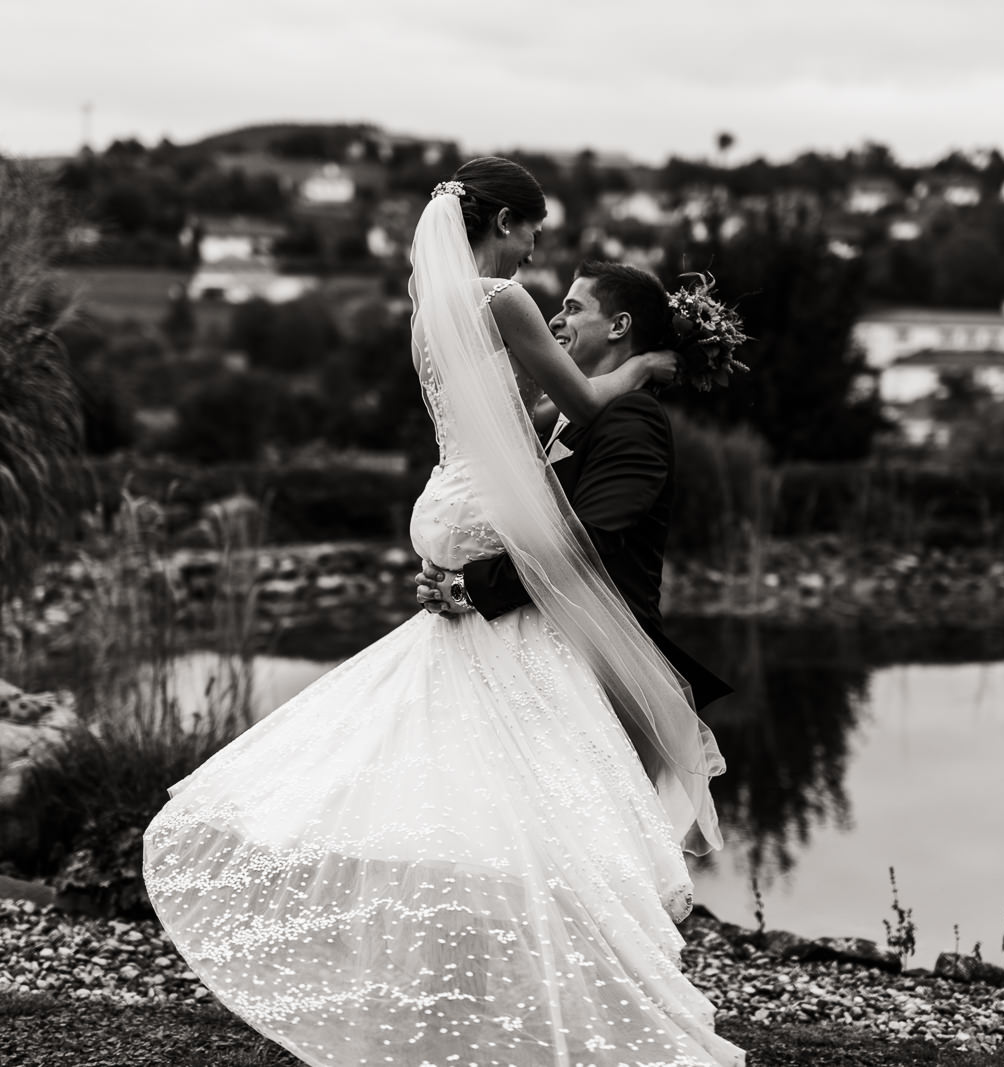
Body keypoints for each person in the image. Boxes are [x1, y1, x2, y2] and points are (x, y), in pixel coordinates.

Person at [142, 157, 743, 1067]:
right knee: (548, 748)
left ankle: (461, 932)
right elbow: (584, 401)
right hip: (486, 515)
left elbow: (514, 430)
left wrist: (473, 573)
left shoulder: (434, 308)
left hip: (453, 501)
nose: (535, 247)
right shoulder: (502, 300)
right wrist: (651, 364)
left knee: (470, 726)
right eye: (532, 227)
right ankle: (551, 933)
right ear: (501, 222)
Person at [416, 260, 731, 711]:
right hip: (540, 656)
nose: (555, 321)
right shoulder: (567, 413)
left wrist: (468, 587)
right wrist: (448, 573)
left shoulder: (633, 417)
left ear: (619, 326)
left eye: (573, 308)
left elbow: (588, 541)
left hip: (605, 666)